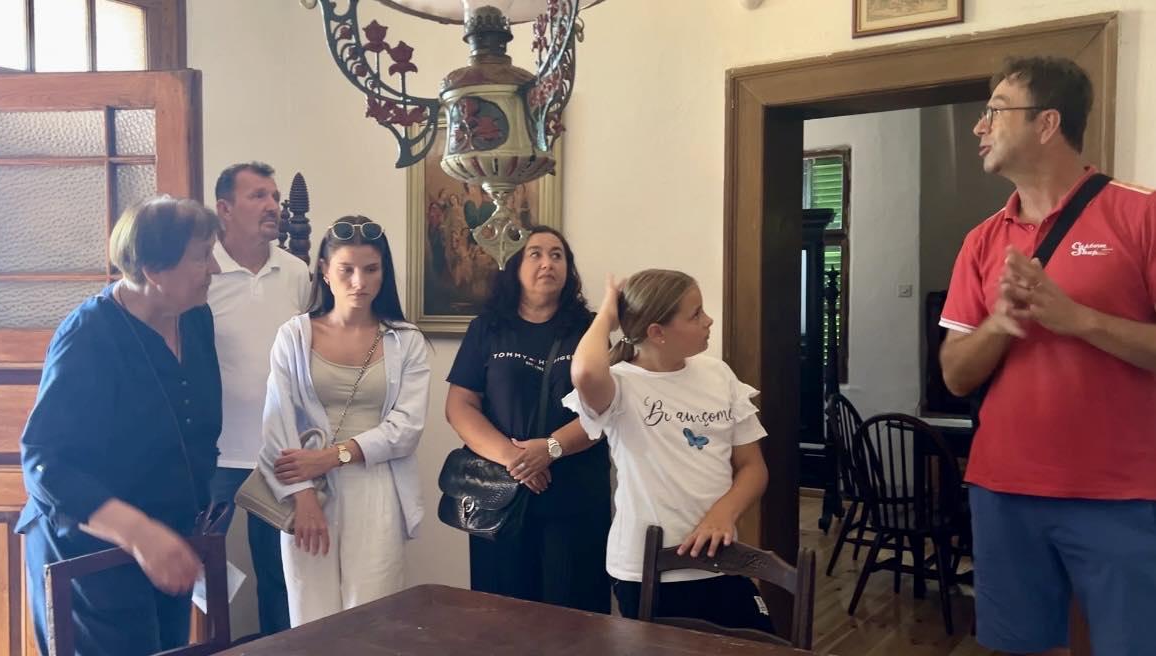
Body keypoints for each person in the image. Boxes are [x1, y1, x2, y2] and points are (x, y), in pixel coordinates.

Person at [940, 56, 1156, 656]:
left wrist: (1079, 319)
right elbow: (955, 375)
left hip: (1125, 496)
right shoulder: (981, 240)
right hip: (1003, 490)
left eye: (994, 111)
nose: (979, 127)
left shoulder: (1142, 214)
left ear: (1047, 122)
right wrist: (1000, 324)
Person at [17, 196, 222, 656]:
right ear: (154, 270)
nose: (214, 268)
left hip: (168, 544)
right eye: (201, 257)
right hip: (91, 555)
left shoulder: (195, 318)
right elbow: (44, 462)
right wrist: (139, 532)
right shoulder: (88, 335)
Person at [563, 269, 773, 632]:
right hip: (646, 572)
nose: (708, 321)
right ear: (657, 333)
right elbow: (584, 373)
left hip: (722, 561)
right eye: (696, 314)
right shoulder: (619, 385)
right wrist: (608, 314)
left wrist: (723, 514)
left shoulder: (718, 375)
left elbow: (753, 467)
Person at [258, 216, 430, 626]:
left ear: (384, 273)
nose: (359, 282)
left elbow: (406, 428)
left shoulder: (405, 340)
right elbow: (277, 422)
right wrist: (303, 496)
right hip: (305, 486)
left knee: (372, 616)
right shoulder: (294, 336)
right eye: (346, 269)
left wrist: (333, 456)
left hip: (376, 484)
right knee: (310, 615)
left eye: (371, 269)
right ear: (324, 270)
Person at [445, 226, 611, 613]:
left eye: (557, 255)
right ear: (515, 265)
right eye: (535, 253)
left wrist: (550, 449)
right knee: (500, 614)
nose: (547, 263)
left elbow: (605, 410)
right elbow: (459, 406)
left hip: (574, 492)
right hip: (500, 495)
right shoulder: (487, 327)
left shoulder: (589, 329)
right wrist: (516, 460)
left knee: (574, 614)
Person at [206, 161, 310, 635]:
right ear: (224, 209)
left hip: (280, 454)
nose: (273, 206)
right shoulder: (201, 271)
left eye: (275, 197)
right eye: (258, 196)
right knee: (199, 572)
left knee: (281, 577)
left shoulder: (297, 273)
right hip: (214, 456)